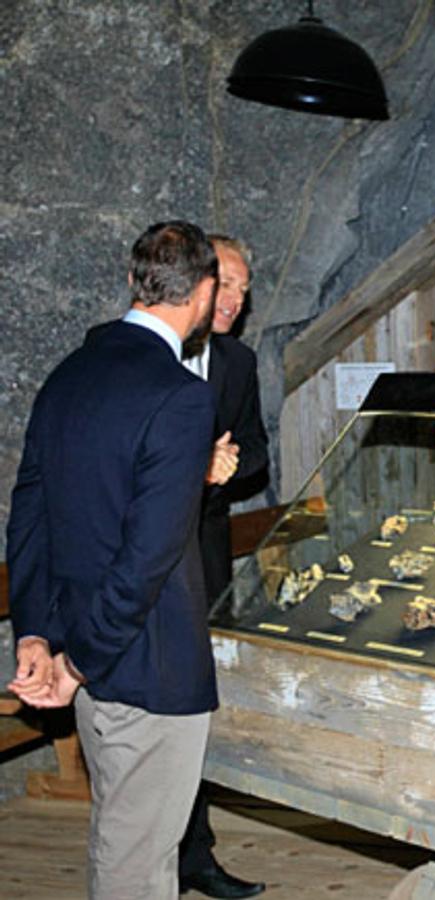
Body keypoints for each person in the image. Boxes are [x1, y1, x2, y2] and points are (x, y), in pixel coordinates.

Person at [6, 221, 222, 898]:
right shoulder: (181, 395)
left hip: (88, 655)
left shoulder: (68, 375)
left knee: (127, 847)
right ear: (205, 293)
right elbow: (146, 559)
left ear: (134, 281)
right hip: (144, 669)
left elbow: (30, 516)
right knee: (134, 867)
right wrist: (75, 663)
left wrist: (36, 633)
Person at [177, 235, 269, 898]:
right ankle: (156, 856)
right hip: (147, 554)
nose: (235, 300)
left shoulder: (239, 361)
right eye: (226, 285)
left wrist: (228, 465)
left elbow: (257, 449)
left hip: (206, 553)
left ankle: (196, 854)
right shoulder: (148, 352)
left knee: (200, 704)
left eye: (243, 288)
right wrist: (195, 461)